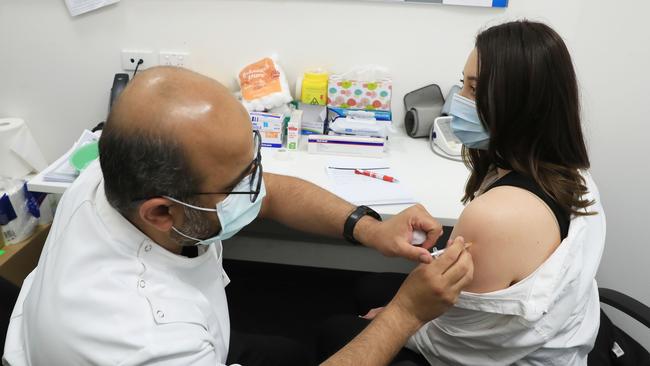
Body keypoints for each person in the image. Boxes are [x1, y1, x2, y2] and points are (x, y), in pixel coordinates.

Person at [2, 66, 473, 366]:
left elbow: (266, 193)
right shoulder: (147, 337)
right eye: (238, 181)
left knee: (288, 353)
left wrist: (369, 227)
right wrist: (406, 314)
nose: (257, 186)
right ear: (163, 212)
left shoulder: (115, 172)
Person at [318, 20, 606, 366]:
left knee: (336, 332)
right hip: (550, 338)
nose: (460, 102)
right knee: (370, 288)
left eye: (474, 90)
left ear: (517, 103)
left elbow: (461, 344)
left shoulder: (497, 215)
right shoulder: (573, 173)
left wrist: (398, 321)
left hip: (495, 355)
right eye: (463, 85)